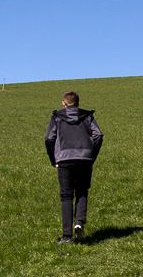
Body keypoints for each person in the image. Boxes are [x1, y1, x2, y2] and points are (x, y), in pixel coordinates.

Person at [44, 90, 103, 244]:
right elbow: (98, 135)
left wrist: (53, 159)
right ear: (78, 103)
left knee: (66, 195)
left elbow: (49, 138)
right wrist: (91, 154)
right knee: (82, 191)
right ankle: (79, 222)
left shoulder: (57, 117)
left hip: (64, 159)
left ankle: (67, 236)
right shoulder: (87, 116)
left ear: (63, 103)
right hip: (85, 159)